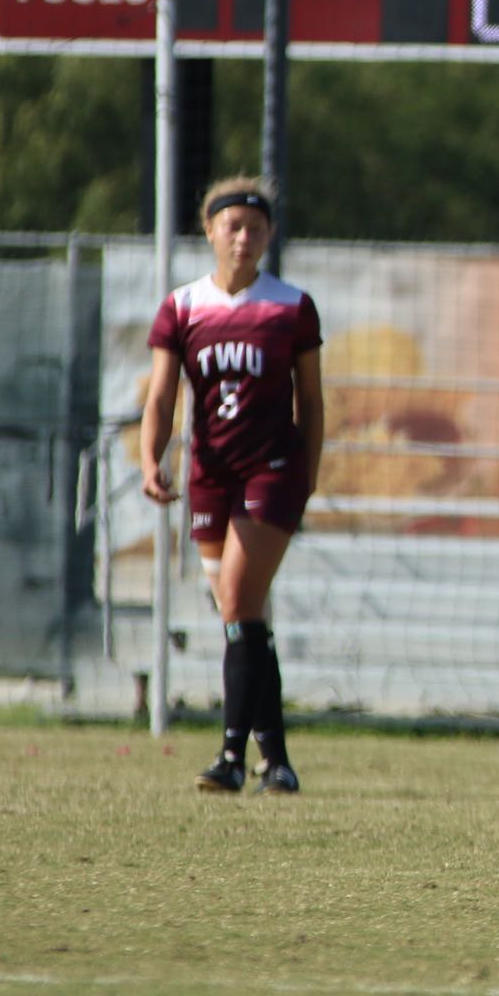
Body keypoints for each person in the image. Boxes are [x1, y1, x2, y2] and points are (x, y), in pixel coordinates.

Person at [139, 176, 325, 796]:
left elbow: (313, 402)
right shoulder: (184, 306)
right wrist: (150, 460)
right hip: (210, 476)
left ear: (270, 236)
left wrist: (309, 472)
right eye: (233, 226)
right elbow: (162, 394)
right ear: (209, 229)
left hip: (271, 471)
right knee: (242, 617)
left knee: (239, 603)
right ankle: (277, 760)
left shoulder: (291, 306)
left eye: (257, 227)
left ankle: (230, 757)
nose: (245, 237)